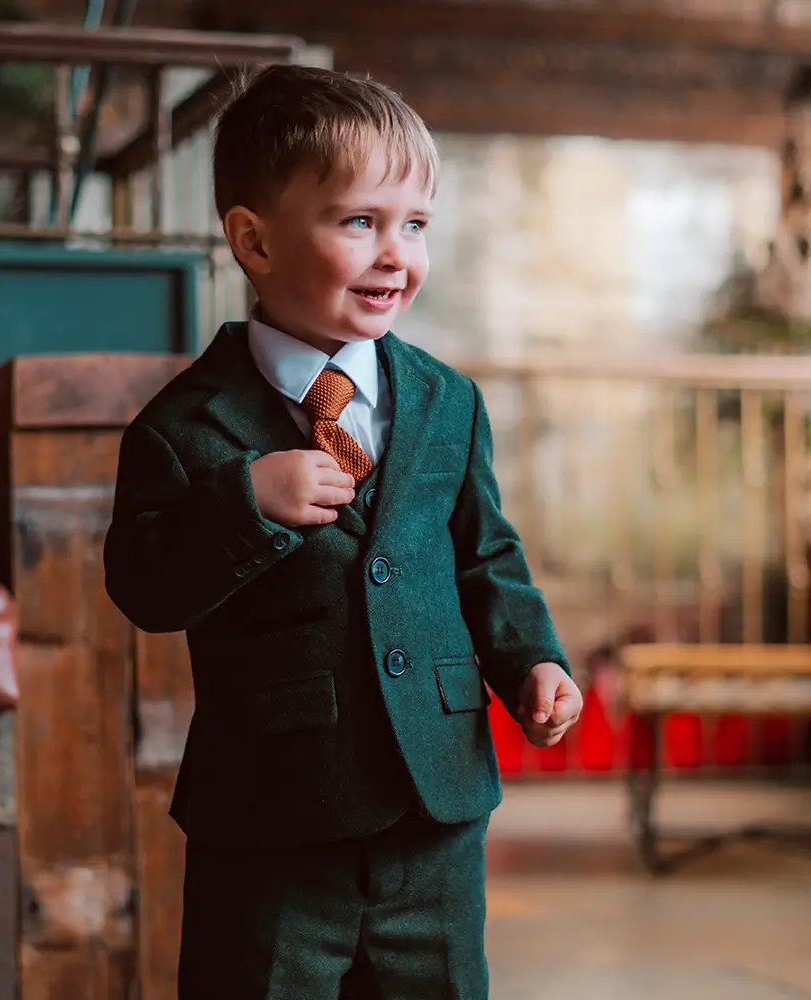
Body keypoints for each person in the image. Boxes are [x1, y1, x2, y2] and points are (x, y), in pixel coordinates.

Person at [103, 63, 583, 1000]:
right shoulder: (182, 426)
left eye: (416, 225)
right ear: (254, 240)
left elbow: (485, 555)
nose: (396, 254)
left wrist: (532, 660)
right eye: (360, 221)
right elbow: (143, 587)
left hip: (435, 807)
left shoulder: (447, 400)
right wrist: (245, 503)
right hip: (275, 815)